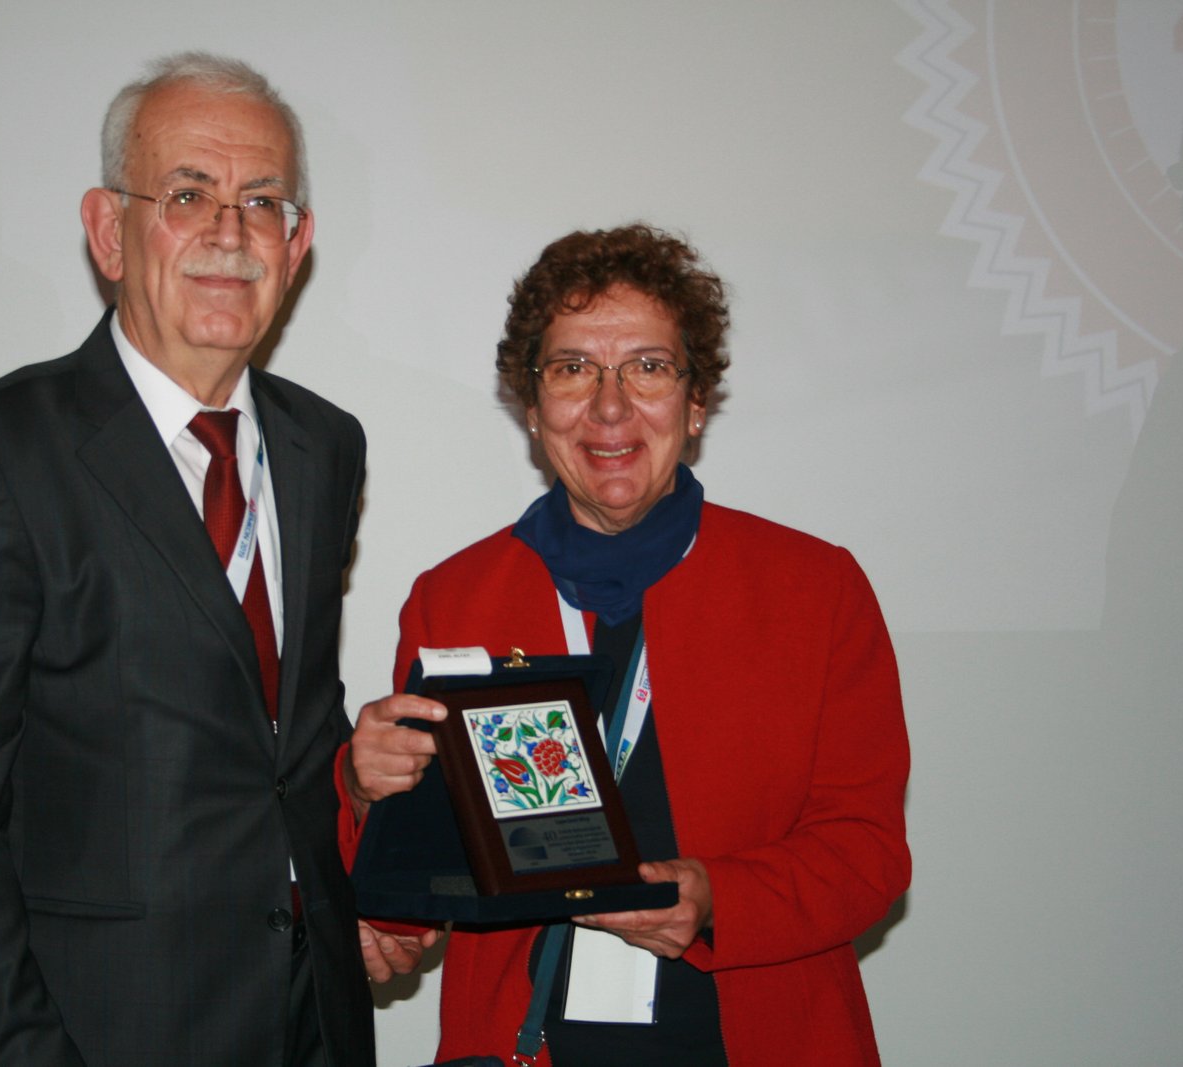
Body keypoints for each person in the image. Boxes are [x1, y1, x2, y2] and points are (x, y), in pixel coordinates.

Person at [0, 53, 422, 1067]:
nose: (229, 233)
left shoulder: (324, 445)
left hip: (314, 1019)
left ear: (297, 243)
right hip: (99, 1029)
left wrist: (350, 877)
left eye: (262, 202)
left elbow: (278, 733)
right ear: (106, 230)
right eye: (187, 194)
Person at [346, 225, 910, 1065]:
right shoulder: (455, 597)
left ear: (695, 403)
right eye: (573, 368)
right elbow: (423, 869)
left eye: (647, 367)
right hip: (525, 1047)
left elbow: (867, 852)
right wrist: (364, 792)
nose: (610, 407)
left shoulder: (814, 588)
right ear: (532, 407)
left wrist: (720, 897)